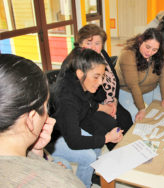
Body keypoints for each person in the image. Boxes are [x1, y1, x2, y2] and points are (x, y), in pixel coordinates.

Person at [0, 54, 84, 187]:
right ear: (31, 118)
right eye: (46, 107)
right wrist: (55, 172)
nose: (48, 116)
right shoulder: (61, 183)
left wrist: (37, 152)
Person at [52, 47, 123, 187]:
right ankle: (83, 184)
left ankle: (87, 176)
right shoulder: (67, 97)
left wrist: (103, 135)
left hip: (69, 126)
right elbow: (74, 141)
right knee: (88, 156)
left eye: (102, 76)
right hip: (53, 137)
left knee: (97, 143)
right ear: (80, 73)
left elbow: (87, 110)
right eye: (96, 76)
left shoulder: (83, 84)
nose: (101, 82)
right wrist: (107, 138)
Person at [75, 24, 133, 149]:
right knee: (111, 123)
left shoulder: (102, 54)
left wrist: (115, 101)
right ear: (80, 43)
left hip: (108, 100)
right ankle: (117, 154)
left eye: (97, 43)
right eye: (89, 43)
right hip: (89, 108)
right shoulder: (78, 62)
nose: (94, 47)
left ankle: (128, 150)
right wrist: (105, 108)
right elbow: (84, 98)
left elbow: (115, 79)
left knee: (126, 117)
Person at [115, 28, 164, 121]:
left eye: (154, 49)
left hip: (150, 89)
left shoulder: (160, 53)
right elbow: (133, 86)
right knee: (136, 116)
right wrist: (141, 109)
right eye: (147, 47)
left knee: (161, 113)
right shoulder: (128, 54)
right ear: (140, 41)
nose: (150, 52)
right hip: (128, 91)